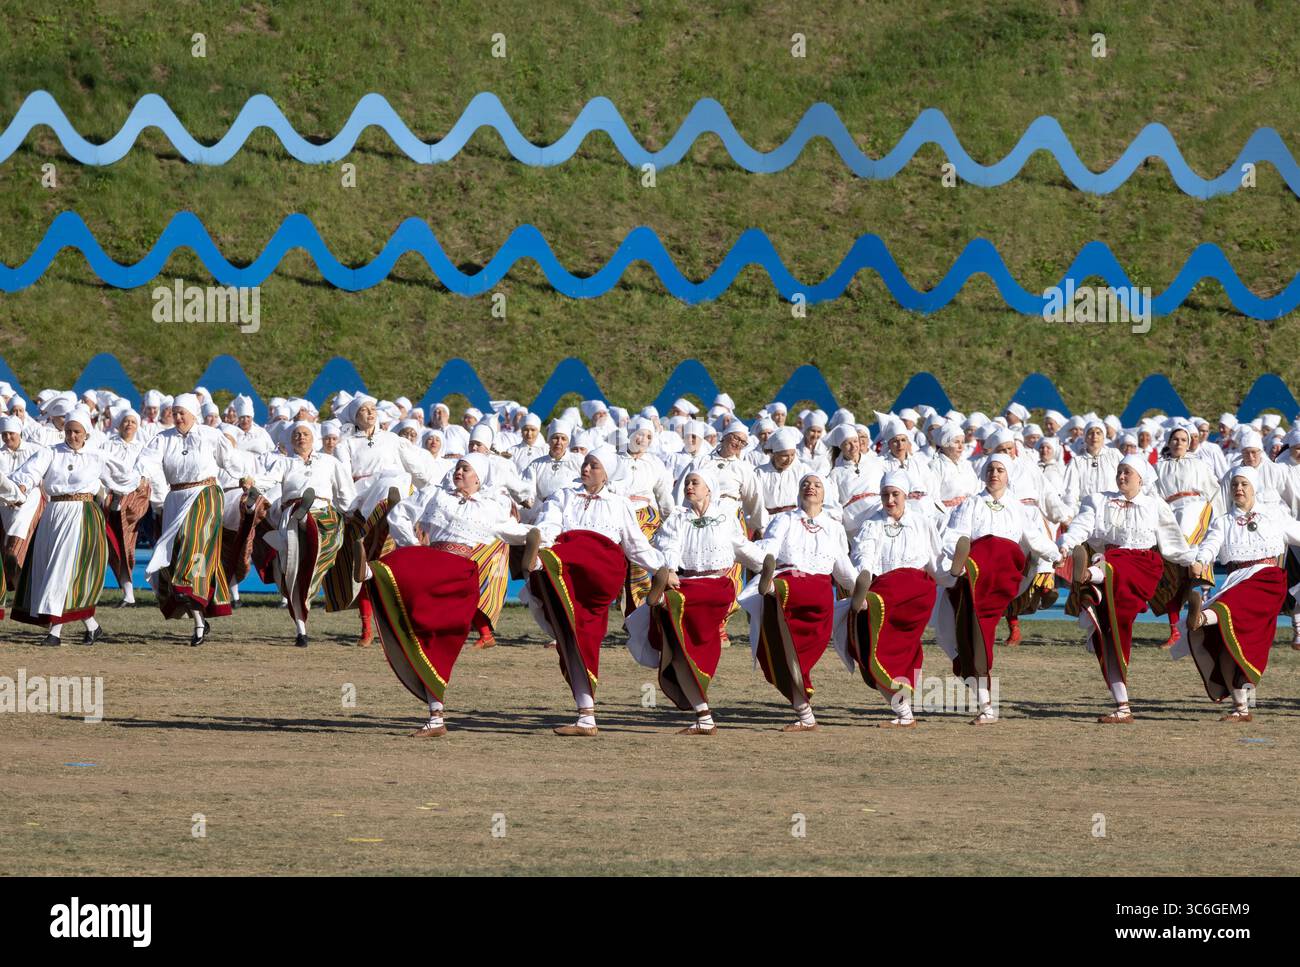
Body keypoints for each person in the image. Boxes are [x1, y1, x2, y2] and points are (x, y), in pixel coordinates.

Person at [371, 453, 535, 736]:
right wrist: (412, 546)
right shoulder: (435, 493)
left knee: (443, 645)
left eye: (465, 468)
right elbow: (399, 514)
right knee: (415, 618)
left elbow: (512, 531)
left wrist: (538, 537)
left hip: (460, 576)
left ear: (478, 477)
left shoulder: (490, 505)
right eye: (457, 466)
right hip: (431, 566)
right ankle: (370, 574)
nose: (458, 471)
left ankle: (436, 718)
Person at [527, 445, 664, 736]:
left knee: (574, 550)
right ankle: (586, 716)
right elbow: (548, 523)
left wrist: (663, 569)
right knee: (574, 639)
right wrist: (544, 540)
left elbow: (636, 544)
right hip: (571, 572)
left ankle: (539, 562)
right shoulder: (564, 494)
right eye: (585, 464)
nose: (586, 469)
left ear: (607, 473)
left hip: (601, 568)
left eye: (594, 465)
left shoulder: (619, 503)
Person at [1058, 455, 1199, 723]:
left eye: (1128, 473)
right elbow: (1081, 526)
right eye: (1120, 472)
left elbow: (1172, 542)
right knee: (1111, 634)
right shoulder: (1098, 500)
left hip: (1141, 567)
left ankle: (1087, 574)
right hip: (1111, 567)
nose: (1122, 476)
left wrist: (1194, 561)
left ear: (1141, 479)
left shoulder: (1154, 504)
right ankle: (1122, 706)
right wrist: (1066, 545)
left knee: (1112, 566)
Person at [625, 466, 764, 734]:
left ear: (709, 487)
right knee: (679, 652)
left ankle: (661, 601)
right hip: (686, 582)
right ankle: (704, 716)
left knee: (678, 622)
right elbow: (669, 544)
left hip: (716, 587)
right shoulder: (678, 516)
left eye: (695, 482)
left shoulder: (725, 515)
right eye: (687, 483)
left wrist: (769, 563)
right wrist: (672, 569)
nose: (689, 487)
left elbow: (742, 547)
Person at [936, 454, 1060, 723]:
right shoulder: (971, 503)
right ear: (983, 474)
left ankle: (962, 572)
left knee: (980, 626)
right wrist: (955, 551)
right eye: (990, 469)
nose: (994, 473)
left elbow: (1036, 539)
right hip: (977, 569)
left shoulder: (1019, 508)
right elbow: (954, 534)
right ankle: (986, 704)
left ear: (1008, 475)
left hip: (1002, 572)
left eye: (1000, 470)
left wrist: (1057, 553)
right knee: (976, 631)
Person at [0, 407, 141, 643]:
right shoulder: (50, 452)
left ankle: (54, 632)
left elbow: (125, 476)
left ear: (86, 433)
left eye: (77, 432)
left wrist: (136, 483)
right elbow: (29, 473)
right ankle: (92, 626)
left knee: (62, 569)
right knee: (50, 568)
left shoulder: (97, 456)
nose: (72, 436)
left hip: (81, 515)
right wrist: (21, 488)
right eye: (68, 431)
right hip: (53, 513)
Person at [1176, 466, 1300, 721]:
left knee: (1228, 608)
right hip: (1236, 580)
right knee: (1230, 646)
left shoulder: (1274, 515)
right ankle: (1243, 708)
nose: (1239, 489)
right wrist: (1200, 561)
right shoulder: (1223, 521)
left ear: (1254, 488)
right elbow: (1209, 546)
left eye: (1244, 484)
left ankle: (1200, 618)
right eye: (1235, 485)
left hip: (1268, 579)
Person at [738, 469, 857, 732]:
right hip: (788, 586)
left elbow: (843, 568)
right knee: (778, 657)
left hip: (818, 594)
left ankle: (770, 587)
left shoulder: (834, 527)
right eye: (806, 484)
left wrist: (862, 588)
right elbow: (769, 547)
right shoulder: (784, 520)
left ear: (825, 494)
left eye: (816, 485)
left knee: (797, 659)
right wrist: (755, 558)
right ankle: (806, 716)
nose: (811, 487)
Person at [834, 471, 949, 727]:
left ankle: (863, 601)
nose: (890, 500)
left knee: (887, 641)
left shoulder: (922, 521)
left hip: (914, 591)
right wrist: (863, 574)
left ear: (905, 496)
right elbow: (865, 551)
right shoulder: (872, 522)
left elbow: (936, 558)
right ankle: (904, 713)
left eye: (895, 494)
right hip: (884, 590)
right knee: (864, 641)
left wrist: (952, 573)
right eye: (885, 494)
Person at [138, 394, 250, 645]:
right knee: (172, 555)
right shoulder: (163, 439)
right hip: (176, 497)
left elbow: (230, 459)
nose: (178, 417)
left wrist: (244, 476)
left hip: (205, 494)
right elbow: (146, 459)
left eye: (182, 413)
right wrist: (142, 475)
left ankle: (189, 584)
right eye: (174, 413)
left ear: (193, 414)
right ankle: (199, 621)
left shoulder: (209, 435)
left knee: (193, 538)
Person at [252, 422, 356, 646]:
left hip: (324, 513)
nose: (301, 437)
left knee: (321, 552)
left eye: (305, 434)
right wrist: (251, 483)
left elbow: (345, 492)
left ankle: (306, 521)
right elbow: (268, 479)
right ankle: (301, 630)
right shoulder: (284, 463)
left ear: (314, 438)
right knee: (293, 572)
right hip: (293, 511)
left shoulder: (329, 462)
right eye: (296, 435)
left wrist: (350, 513)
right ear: (291, 440)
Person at [101, 408, 152, 607]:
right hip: (112, 500)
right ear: (119, 424)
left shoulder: (143, 448)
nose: (129, 424)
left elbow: (147, 474)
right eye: (126, 421)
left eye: (133, 421)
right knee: (116, 547)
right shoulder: (108, 445)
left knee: (130, 544)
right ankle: (127, 593)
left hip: (135, 503)